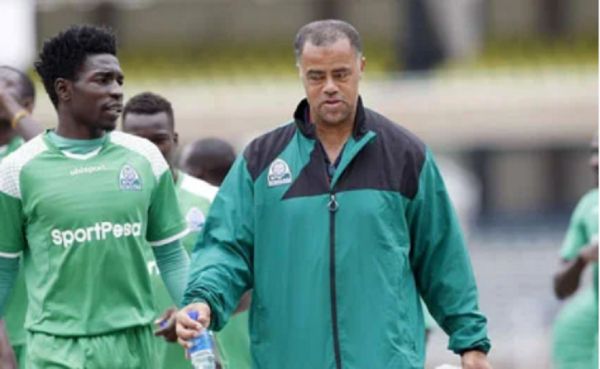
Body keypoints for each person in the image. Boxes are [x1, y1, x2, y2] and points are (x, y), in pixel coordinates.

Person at [175, 19, 492, 369]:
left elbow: (443, 257)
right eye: (316, 76)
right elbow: (225, 248)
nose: (329, 87)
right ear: (301, 73)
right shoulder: (260, 162)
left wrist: (471, 344)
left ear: (361, 68)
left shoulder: (406, 156)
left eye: (340, 74)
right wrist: (204, 299)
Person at [0, 25, 190, 368]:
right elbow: (3, 270)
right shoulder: (18, 170)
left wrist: (198, 319)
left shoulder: (144, 157)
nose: (117, 91)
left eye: (119, 80)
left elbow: (172, 256)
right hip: (57, 350)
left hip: (137, 348)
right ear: (64, 89)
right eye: (102, 81)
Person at [122, 92, 251, 369]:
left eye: (158, 139)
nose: (150, 150)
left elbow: (247, 282)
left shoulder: (213, 200)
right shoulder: (102, 206)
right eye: (137, 142)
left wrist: (196, 314)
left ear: (175, 140)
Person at [0, 65, 43, 369]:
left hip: (32, 331)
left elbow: (53, 156)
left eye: (6, 83)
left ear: (26, 106)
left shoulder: (31, 159)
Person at [552, 135, 598, 369]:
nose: (594, 162)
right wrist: (582, 259)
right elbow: (560, 288)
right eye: (594, 152)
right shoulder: (589, 206)